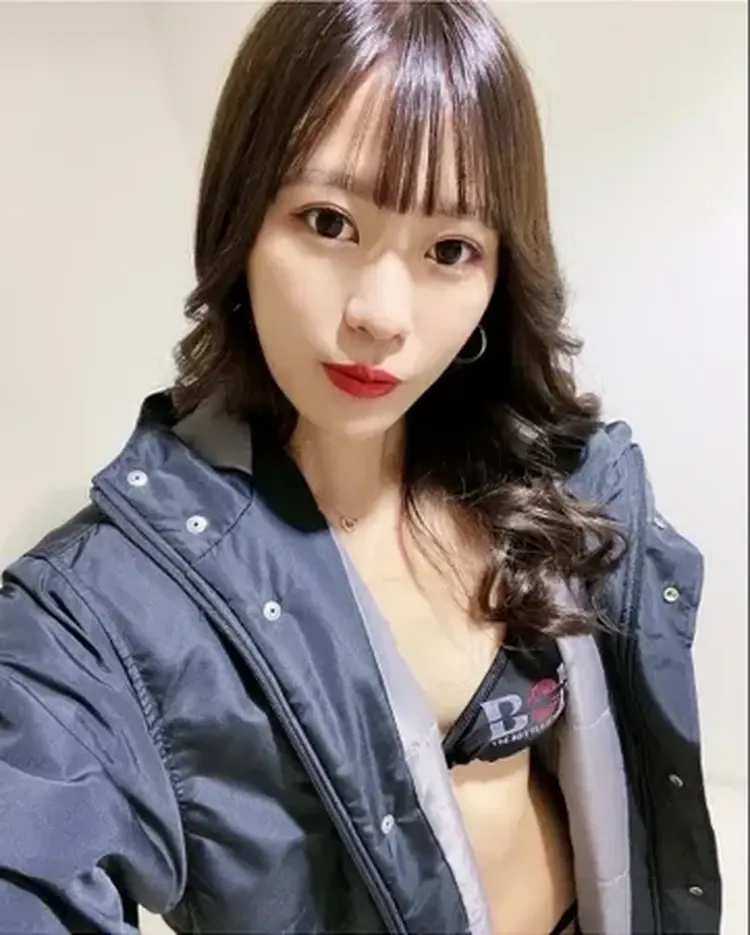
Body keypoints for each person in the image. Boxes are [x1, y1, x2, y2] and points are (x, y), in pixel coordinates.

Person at [0, 2, 721, 934]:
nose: (381, 313)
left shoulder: (557, 483)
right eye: (329, 221)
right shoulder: (103, 609)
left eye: (450, 249)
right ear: (241, 219)